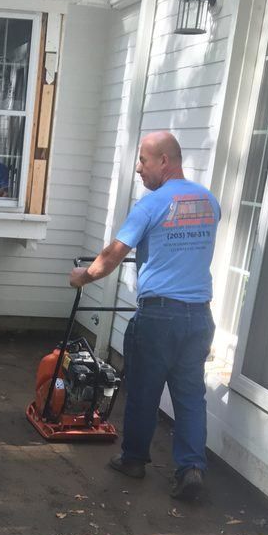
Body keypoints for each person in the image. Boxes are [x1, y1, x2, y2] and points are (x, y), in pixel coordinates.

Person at [70, 131, 220, 500]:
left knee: (142, 391)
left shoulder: (152, 204)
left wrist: (83, 276)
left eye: (143, 160)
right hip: (199, 317)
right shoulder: (209, 201)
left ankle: (134, 459)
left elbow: (113, 255)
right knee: (190, 396)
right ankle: (191, 469)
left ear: (164, 161)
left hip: (159, 317)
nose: (139, 168)